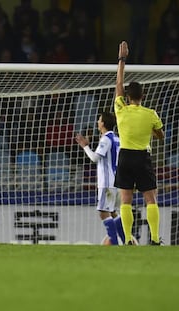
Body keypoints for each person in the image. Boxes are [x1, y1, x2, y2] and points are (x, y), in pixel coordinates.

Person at [114, 41, 165, 245]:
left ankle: (127, 239)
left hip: (125, 156)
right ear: (142, 96)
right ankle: (154, 239)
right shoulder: (150, 114)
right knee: (150, 199)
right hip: (142, 156)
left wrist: (122, 59)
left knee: (126, 200)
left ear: (127, 96)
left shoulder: (121, 109)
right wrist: (150, 131)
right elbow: (161, 135)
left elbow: (118, 84)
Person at [75, 112, 125, 245]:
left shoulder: (106, 139)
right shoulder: (117, 138)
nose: (97, 121)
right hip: (117, 180)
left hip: (107, 182)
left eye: (99, 119)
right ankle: (126, 241)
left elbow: (94, 158)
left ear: (103, 123)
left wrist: (85, 146)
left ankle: (114, 242)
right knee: (113, 212)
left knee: (103, 212)